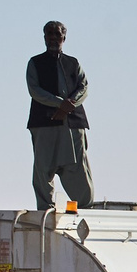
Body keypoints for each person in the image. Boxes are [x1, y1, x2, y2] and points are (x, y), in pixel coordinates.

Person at [27, 20, 95, 211]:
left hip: (73, 124)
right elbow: (34, 90)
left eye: (57, 34)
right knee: (43, 166)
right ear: (44, 37)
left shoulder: (73, 63)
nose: (54, 38)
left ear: (64, 37)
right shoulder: (35, 63)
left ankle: (85, 208)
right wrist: (59, 103)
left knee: (78, 167)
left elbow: (84, 87)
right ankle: (46, 210)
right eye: (50, 34)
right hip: (44, 123)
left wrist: (68, 105)